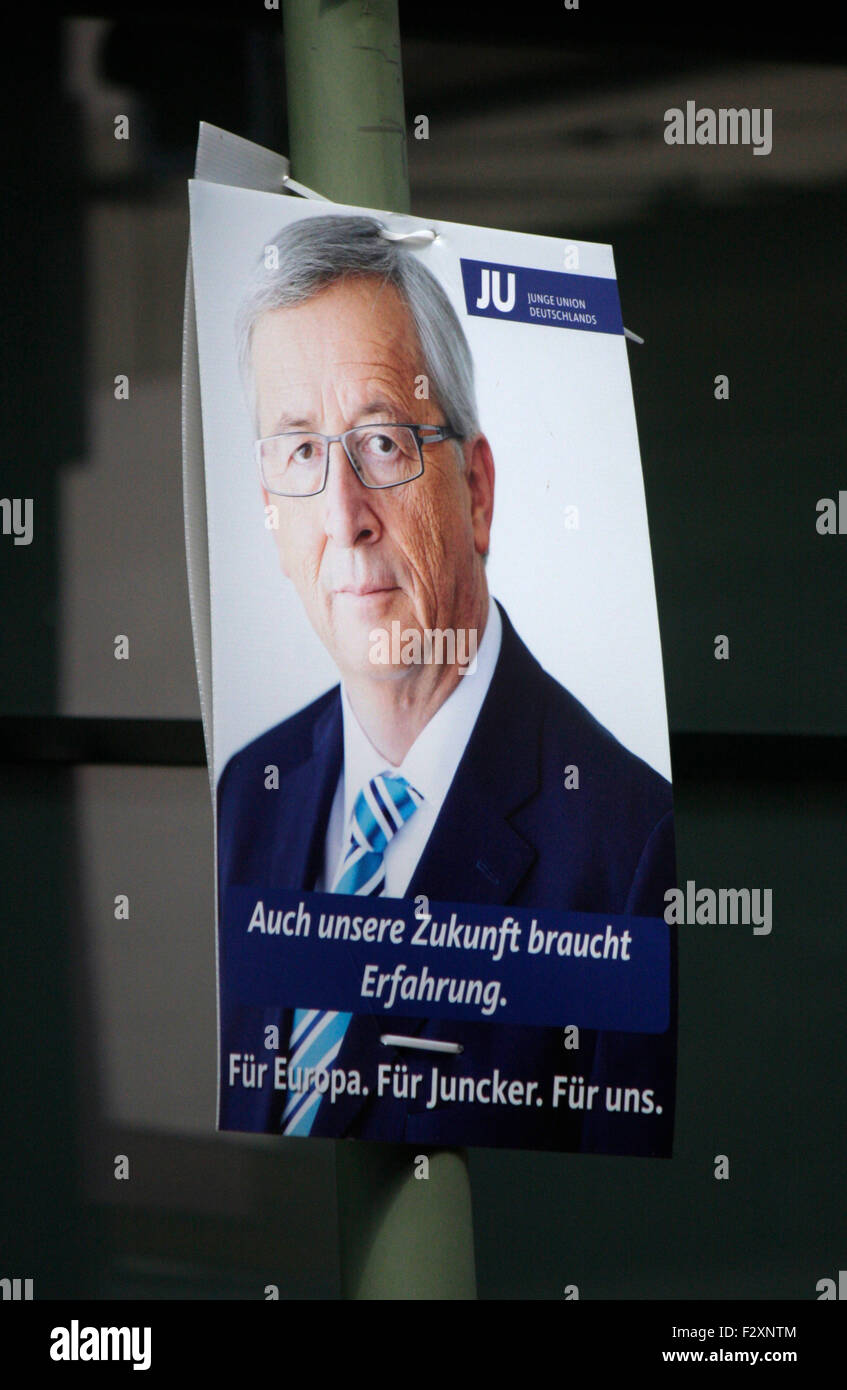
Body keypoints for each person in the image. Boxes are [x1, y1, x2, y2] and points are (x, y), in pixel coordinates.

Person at [217, 214, 676, 1152]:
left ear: (476, 493)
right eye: (302, 451)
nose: (343, 517)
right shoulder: (244, 797)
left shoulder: (632, 850)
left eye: (381, 442)